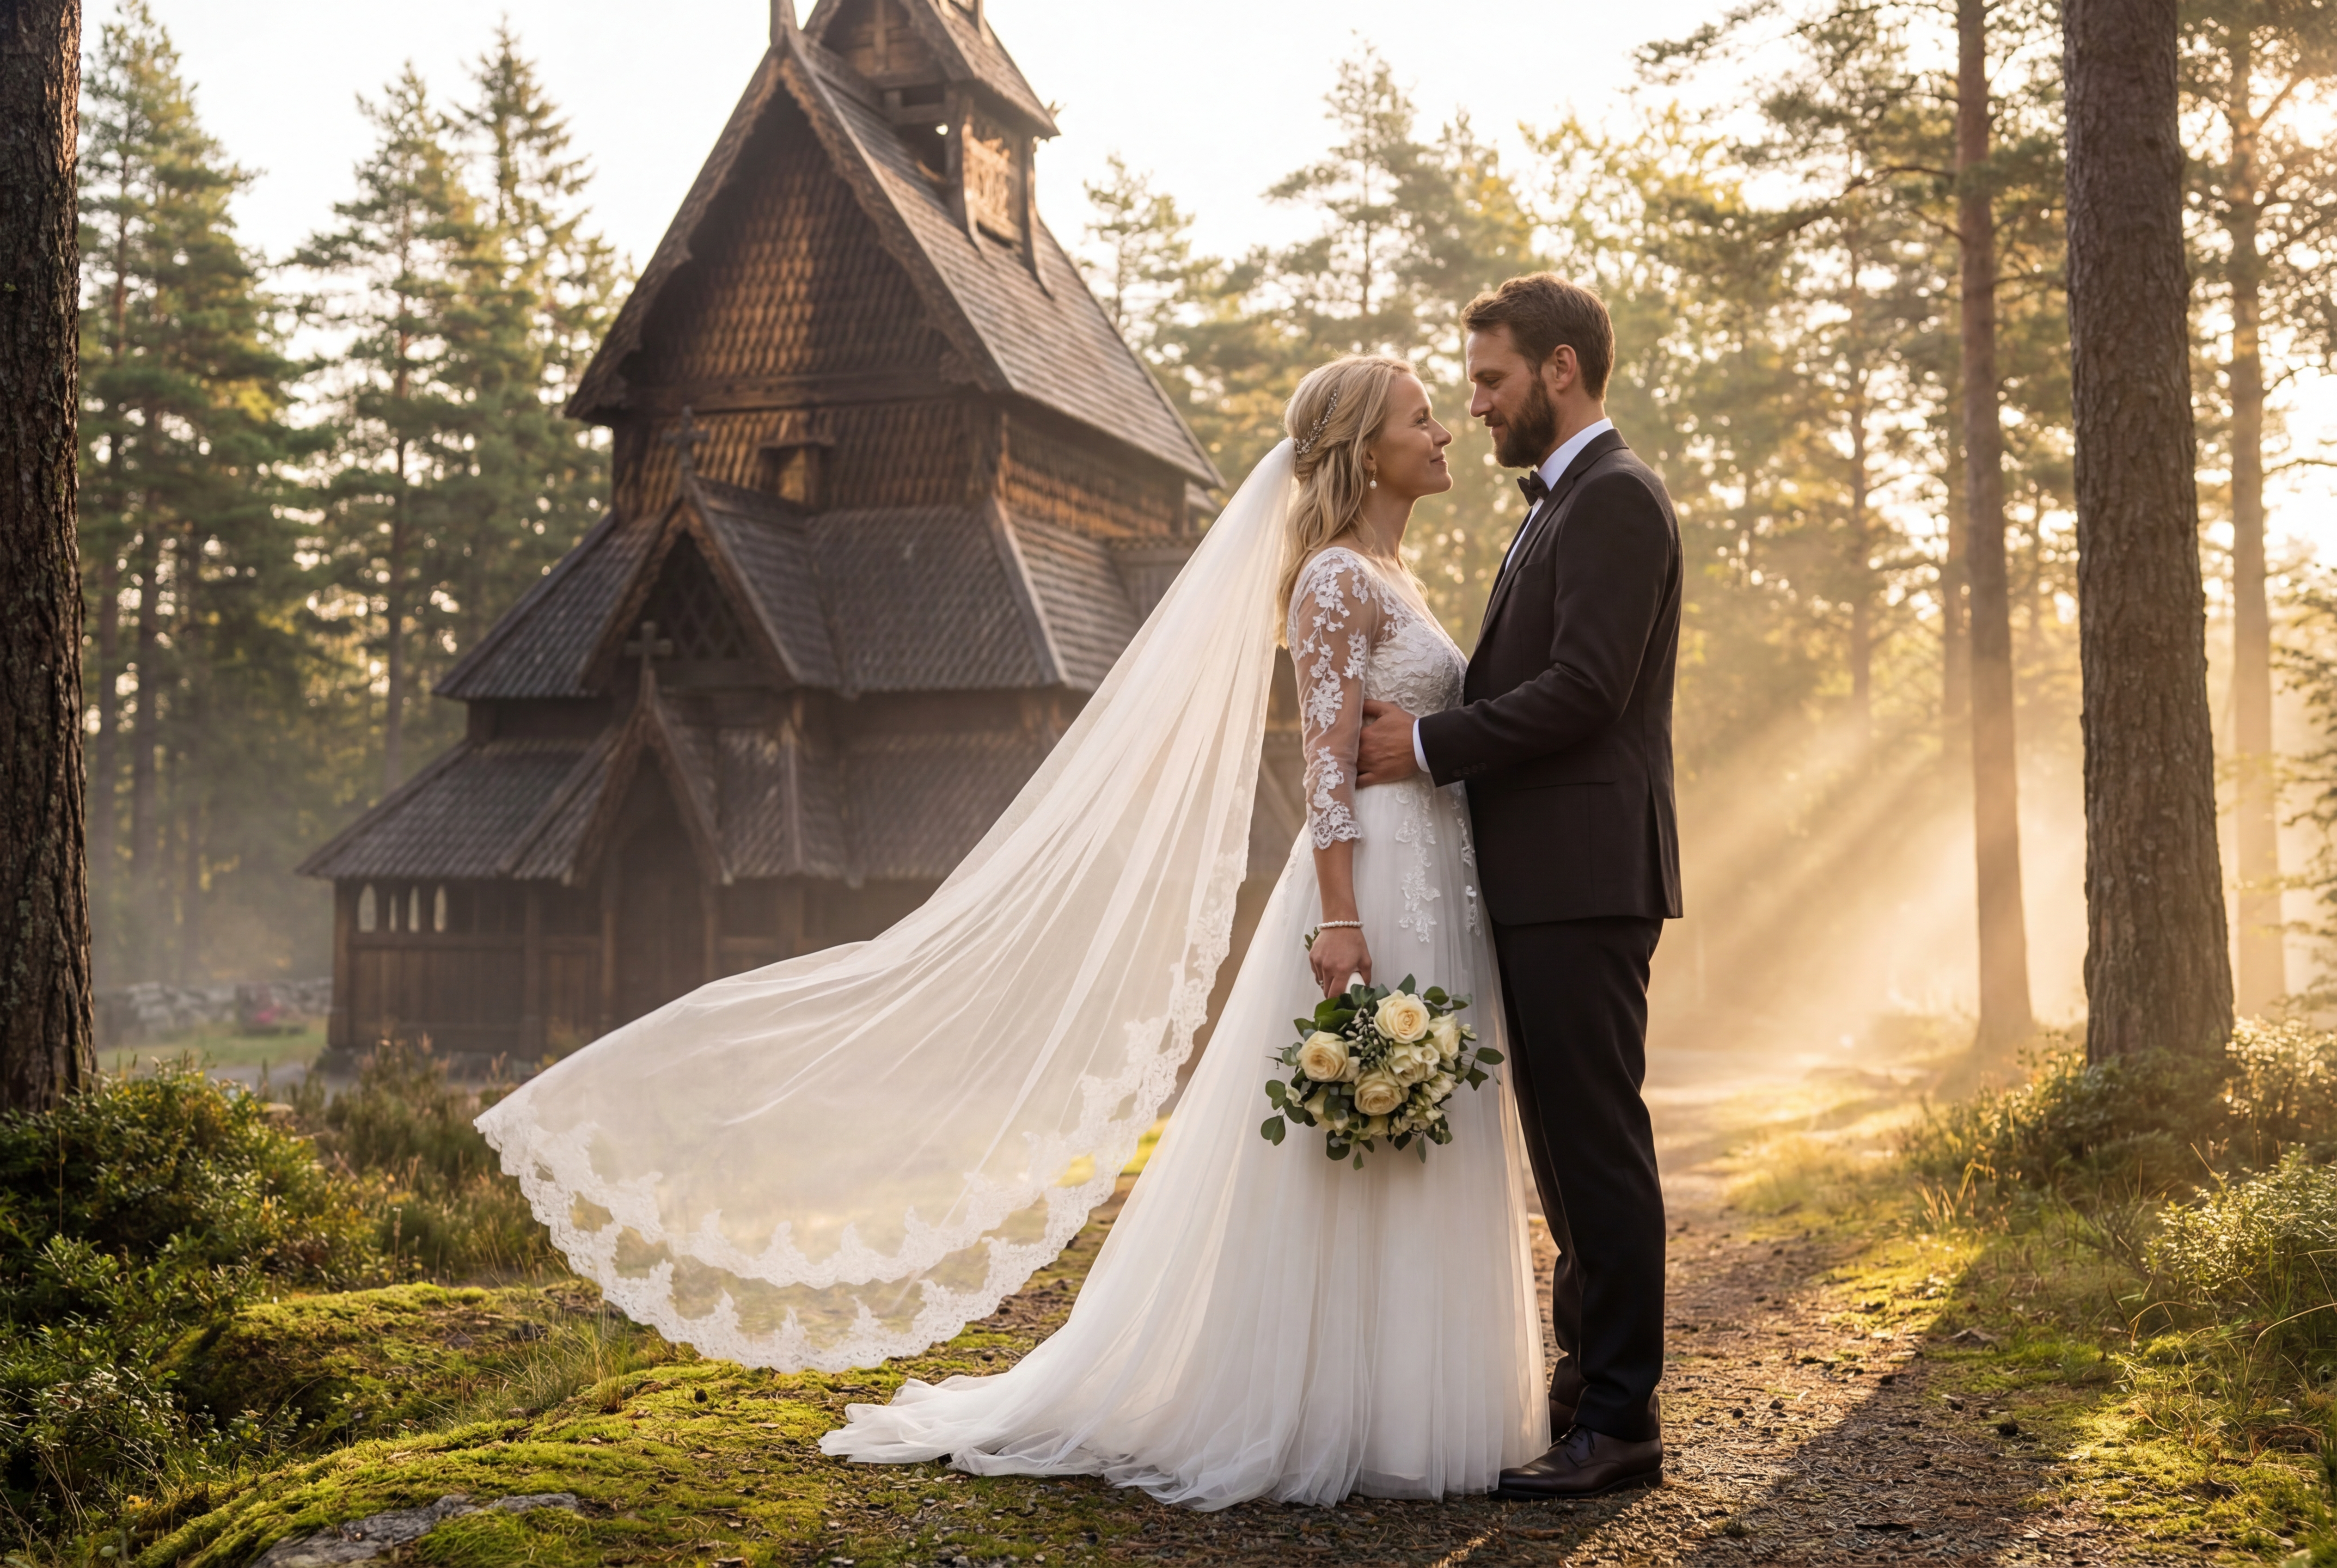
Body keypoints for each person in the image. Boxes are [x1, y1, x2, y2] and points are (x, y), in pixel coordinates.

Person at [1356, 272, 1683, 1499]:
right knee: (1566, 1151)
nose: (1479, 406)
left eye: (1491, 381)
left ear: (1560, 369)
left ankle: (1622, 1418)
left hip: (1586, 875)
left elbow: (1589, 690)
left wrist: (1427, 745)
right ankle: (1585, 1393)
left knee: (1597, 1147)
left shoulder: (1615, 498)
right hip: (1549, 876)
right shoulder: (1561, 503)